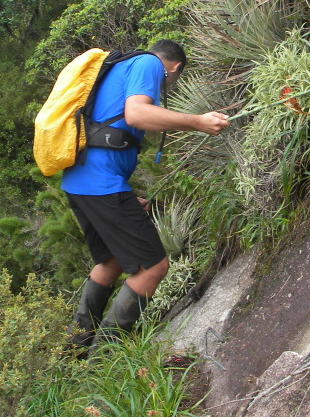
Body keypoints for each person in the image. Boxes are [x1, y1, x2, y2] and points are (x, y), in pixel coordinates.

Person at [62, 39, 229, 351]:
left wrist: (125, 195)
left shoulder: (119, 67)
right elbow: (137, 115)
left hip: (79, 179)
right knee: (154, 266)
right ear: (175, 68)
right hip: (100, 184)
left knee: (110, 261)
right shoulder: (149, 64)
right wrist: (198, 122)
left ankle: (76, 347)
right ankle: (105, 359)